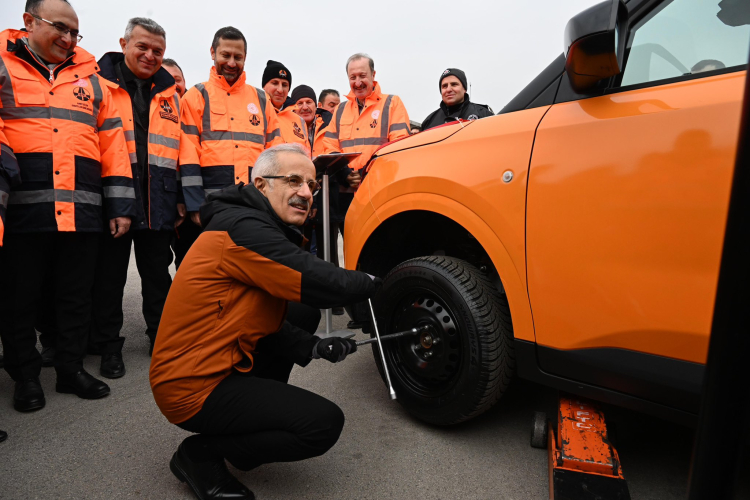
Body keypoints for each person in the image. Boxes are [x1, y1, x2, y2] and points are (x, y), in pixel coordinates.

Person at [150, 143, 379, 500]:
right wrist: (377, 283)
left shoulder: (251, 222)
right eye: (293, 181)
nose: (305, 193)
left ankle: (249, 424)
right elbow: (315, 279)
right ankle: (201, 454)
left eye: (311, 185)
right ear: (260, 185)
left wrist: (313, 346)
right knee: (321, 424)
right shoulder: (243, 230)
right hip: (191, 386)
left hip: (221, 359)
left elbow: (259, 317)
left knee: (300, 313)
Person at [0, 0, 136, 412]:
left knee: (76, 296)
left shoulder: (93, 80)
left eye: (75, 32)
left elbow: (114, 146)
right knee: (20, 297)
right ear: (28, 22)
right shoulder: (4, 68)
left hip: (82, 210)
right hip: (24, 210)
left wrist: (119, 206)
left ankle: (70, 369)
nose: (69, 38)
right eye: (60, 27)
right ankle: (25, 377)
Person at [89, 17, 182, 369]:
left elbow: (177, 150)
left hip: (157, 200)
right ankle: (109, 347)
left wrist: (176, 199)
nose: (149, 55)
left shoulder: (170, 93)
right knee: (109, 278)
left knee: (158, 277)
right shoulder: (98, 85)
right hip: (116, 198)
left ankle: (162, 339)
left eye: (157, 50)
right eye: (142, 47)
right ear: (123, 43)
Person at [178, 26, 282, 233]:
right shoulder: (196, 96)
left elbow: (275, 153)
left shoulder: (261, 99)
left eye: (238, 57)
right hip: (210, 204)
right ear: (212, 53)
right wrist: (195, 203)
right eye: (226, 55)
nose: (232, 63)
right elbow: (187, 155)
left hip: (255, 204)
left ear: (246, 57)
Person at [421, 68, 493, 131]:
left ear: (464, 89)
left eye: (454, 84)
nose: (448, 89)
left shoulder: (484, 115)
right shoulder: (429, 121)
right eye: (444, 86)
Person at [262, 60, 308, 148]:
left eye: (284, 85)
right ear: (264, 86)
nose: (280, 90)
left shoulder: (299, 120)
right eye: (275, 83)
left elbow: (306, 155)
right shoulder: (255, 113)